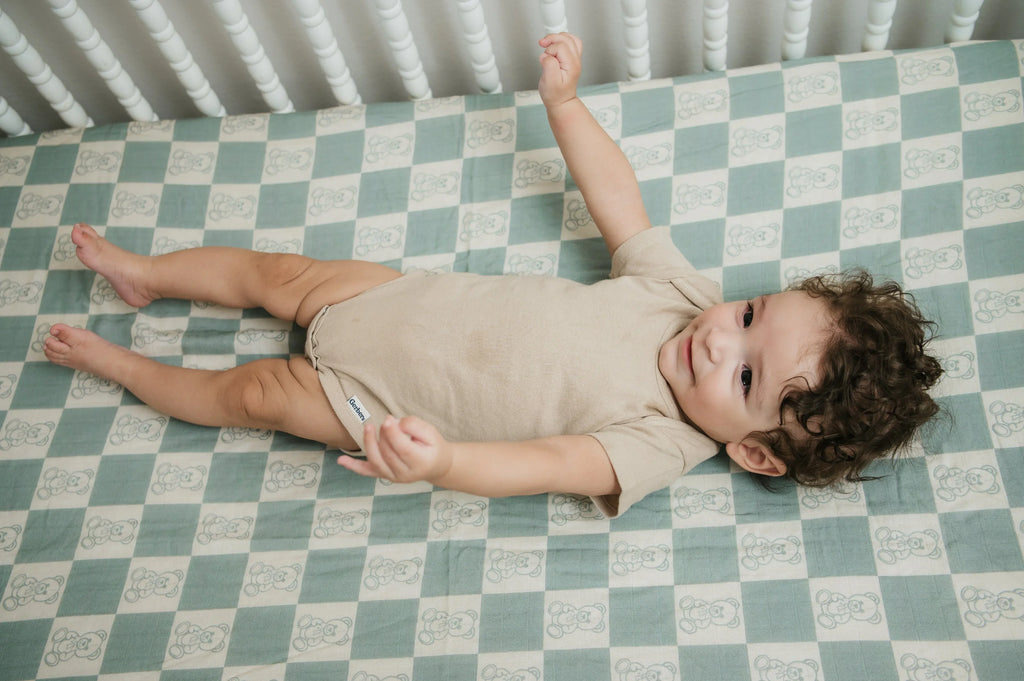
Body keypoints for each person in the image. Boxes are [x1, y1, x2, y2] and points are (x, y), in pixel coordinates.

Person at [44, 33, 942, 517]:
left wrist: (443, 462)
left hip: (376, 400)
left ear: (751, 448)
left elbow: (546, 463)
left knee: (256, 394)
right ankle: (148, 276)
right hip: (396, 297)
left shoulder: (661, 445)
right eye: (750, 312)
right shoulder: (682, 297)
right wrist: (565, 106)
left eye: (744, 375)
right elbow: (618, 201)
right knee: (276, 273)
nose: (718, 336)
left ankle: (120, 368)